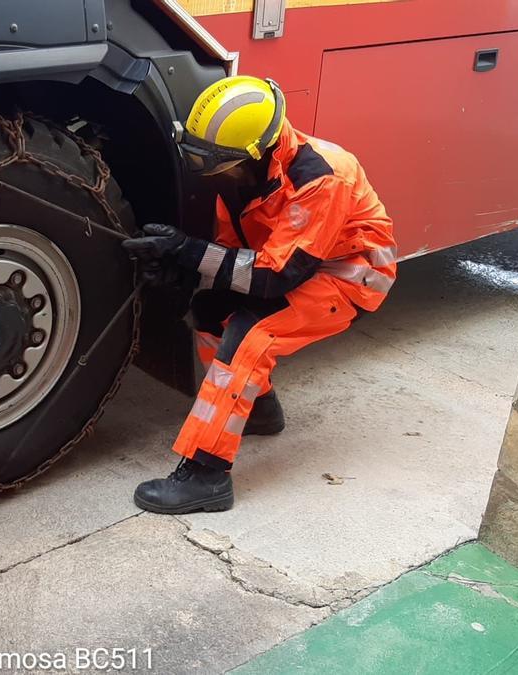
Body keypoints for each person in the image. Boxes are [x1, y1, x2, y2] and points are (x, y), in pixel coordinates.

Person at [124, 76, 398, 514]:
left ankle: (206, 474)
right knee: (210, 311)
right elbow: (236, 257)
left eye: (215, 162)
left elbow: (274, 277)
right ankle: (261, 411)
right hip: (295, 266)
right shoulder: (244, 174)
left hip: (352, 277)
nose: (205, 169)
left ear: (256, 152)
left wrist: (185, 250)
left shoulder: (322, 179)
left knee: (252, 334)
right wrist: (184, 271)